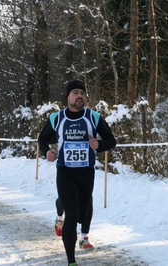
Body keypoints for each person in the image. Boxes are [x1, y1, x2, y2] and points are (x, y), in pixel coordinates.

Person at [38, 80, 116, 266]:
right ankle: (71, 261)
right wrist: (46, 152)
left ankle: (60, 204)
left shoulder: (94, 117)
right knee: (72, 216)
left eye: (82, 93)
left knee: (82, 214)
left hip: (86, 172)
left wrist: (99, 145)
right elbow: (42, 139)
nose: (79, 96)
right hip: (65, 172)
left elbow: (111, 140)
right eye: (75, 92)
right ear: (68, 97)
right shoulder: (56, 118)